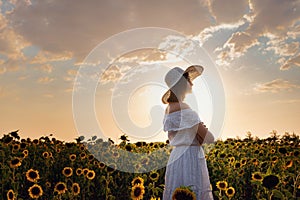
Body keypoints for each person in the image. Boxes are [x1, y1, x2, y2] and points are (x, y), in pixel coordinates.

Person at [161, 65, 215, 200]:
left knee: (177, 193)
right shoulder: (184, 108)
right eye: (188, 79)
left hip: (176, 157)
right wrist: (201, 127)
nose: (192, 82)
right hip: (190, 157)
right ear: (181, 84)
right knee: (193, 192)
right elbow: (209, 138)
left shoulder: (168, 109)